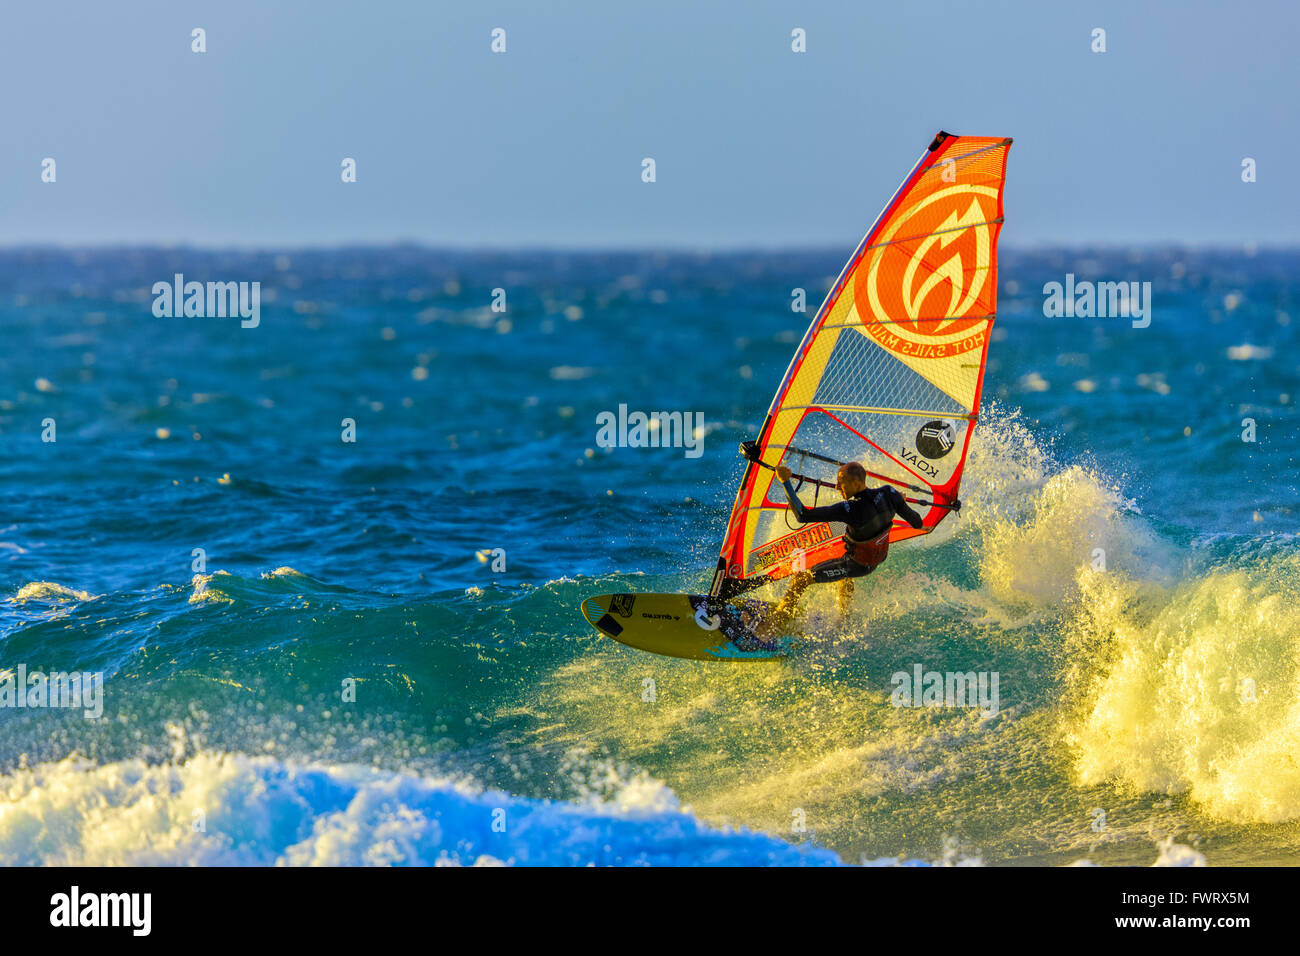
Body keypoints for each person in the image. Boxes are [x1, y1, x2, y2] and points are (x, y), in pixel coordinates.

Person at [754, 460, 924, 639]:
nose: (837, 486)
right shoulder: (890, 493)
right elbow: (917, 522)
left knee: (801, 579)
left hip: (857, 564)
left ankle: (776, 624)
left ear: (856, 483)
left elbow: (803, 515)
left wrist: (785, 482)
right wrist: (900, 502)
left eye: (841, 483)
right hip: (876, 558)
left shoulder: (850, 509)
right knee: (846, 572)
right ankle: (844, 620)